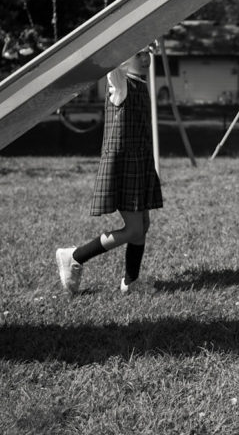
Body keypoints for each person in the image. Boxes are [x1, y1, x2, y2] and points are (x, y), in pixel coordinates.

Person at [56, 48, 163, 296]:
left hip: (138, 163)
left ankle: (131, 281)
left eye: (148, 53)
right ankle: (74, 255)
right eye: (138, 53)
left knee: (142, 224)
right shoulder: (120, 84)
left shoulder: (140, 84)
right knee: (134, 229)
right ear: (124, 59)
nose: (145, 58)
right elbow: (111, 55)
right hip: (123, 166)